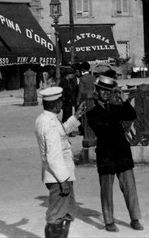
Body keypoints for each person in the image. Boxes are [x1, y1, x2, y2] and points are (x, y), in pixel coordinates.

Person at [86, 75, 143, 232]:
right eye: (102, 90)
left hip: (122, 153)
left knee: (130, 188)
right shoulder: (92, 113)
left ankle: (135, 219)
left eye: (108, 91)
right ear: (96, 92)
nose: (105, 94)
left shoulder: (117, 107)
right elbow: (103, 131)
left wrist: (123, 99)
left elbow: (132, 115)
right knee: (106, 190)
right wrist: (116, 118)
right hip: (106, 155)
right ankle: (109, 221)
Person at [35, 86, 86, 238]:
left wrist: (75, 117)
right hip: (59, 177)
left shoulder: (45, 119)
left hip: (60, 175)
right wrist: (64, 180)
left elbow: (61, 134)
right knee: (56, 216)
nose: (62, 104)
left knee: (67, 213)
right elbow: (54, 155)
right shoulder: (49, 123)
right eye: (61, 102)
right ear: (56, 104)